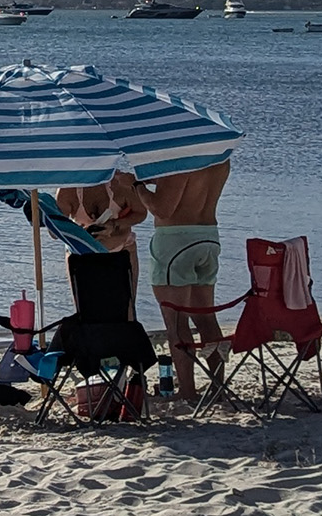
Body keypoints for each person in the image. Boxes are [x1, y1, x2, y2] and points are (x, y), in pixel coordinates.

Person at [114, 158, 231, 398]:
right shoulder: (220, 155)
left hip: (175, 239)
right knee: (206, 317)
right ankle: (217, 386)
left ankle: (187, 390)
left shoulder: (179, 156)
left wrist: (136, 186)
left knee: (176, 322)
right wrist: (150, 179)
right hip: (208, 235)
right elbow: (185, 184)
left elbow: (162, 208)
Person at [57, 180, 147, 318]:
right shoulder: (68, 189)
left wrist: (115, 224)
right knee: (85, 312)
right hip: (81, 256)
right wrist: (81, 232)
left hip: (121, 249)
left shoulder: (119, 184)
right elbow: (55, 232)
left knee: (127, 310)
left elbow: (141, 212)